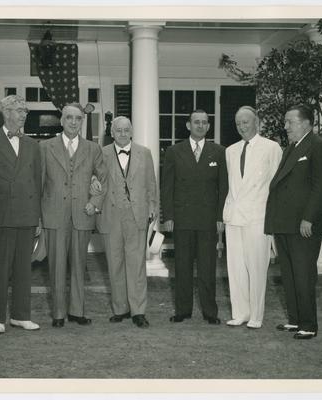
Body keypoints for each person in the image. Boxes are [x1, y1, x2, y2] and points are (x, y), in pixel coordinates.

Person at [265, 104, 322, 340]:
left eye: (290, 122)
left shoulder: (318, 146)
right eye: (286, 122)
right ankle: (295, 320)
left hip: (303, 225)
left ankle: (308, 324)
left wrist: (309, 218)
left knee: (303, 275)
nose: (285, 127)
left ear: (306, 123)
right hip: (285, 224)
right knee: (289, 274)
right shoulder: (292, 147)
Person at [0, 95, 42, 334]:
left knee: (24, 268)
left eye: (25, 110)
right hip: (0, 215)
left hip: (26, 214)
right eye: (19, 110)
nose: (24, 114)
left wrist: (38, 218)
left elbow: (38, 183)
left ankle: (21, 316)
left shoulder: (33, 145)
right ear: (6, 112)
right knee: (0, 268)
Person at [40, 103, 107, 328]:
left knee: (79, 265)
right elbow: (38, 183)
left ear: (82, 121)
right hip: (54, 215)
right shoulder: (45, 147)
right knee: (56, 266)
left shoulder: (93, 148)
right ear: (61, 120)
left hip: (82, 214)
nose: (73, 122)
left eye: (78, 118)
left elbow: (103, 179)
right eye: (69, 117)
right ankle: (58, 313)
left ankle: (77, 311)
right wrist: (39, 218)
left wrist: (94, 203)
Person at [161, 109, 228, 324]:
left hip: (208, 221)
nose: (200, 126)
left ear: (208, 126)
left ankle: (210, 312)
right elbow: (167, 187)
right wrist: (168, 216)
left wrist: (220, 217)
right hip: (182, 219)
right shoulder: (174, 151)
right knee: (182, 266)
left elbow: (223, 188)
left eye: (204, 123)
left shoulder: (218, 152)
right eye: (196, 122)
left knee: (208, 268)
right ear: (188, 126)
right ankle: (183, 310)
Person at [223, 106, 282, 329]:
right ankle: (240, 312)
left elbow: (277, 185)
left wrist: (274, 218)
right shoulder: (231, 150)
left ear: (257, 122)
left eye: (246, 122)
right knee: (235, 268)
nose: (242, 127)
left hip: (259, 216)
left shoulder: (271, 148)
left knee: (257, 268)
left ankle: (256, 316)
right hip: (234, 216)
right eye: (238, 123)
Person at [95, 116, 157, 328]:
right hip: (110, 215)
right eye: (118, 130)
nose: (122, 133)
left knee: (136, 265)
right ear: (112, 133)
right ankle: (120, 308)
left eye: (126, 129)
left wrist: (152, 209)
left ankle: (138, 310)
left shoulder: (144, 153)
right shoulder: (101, 154)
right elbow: (95, 182)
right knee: (115, 264)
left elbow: (151, 184)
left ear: (132, 131)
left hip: (136, 216)